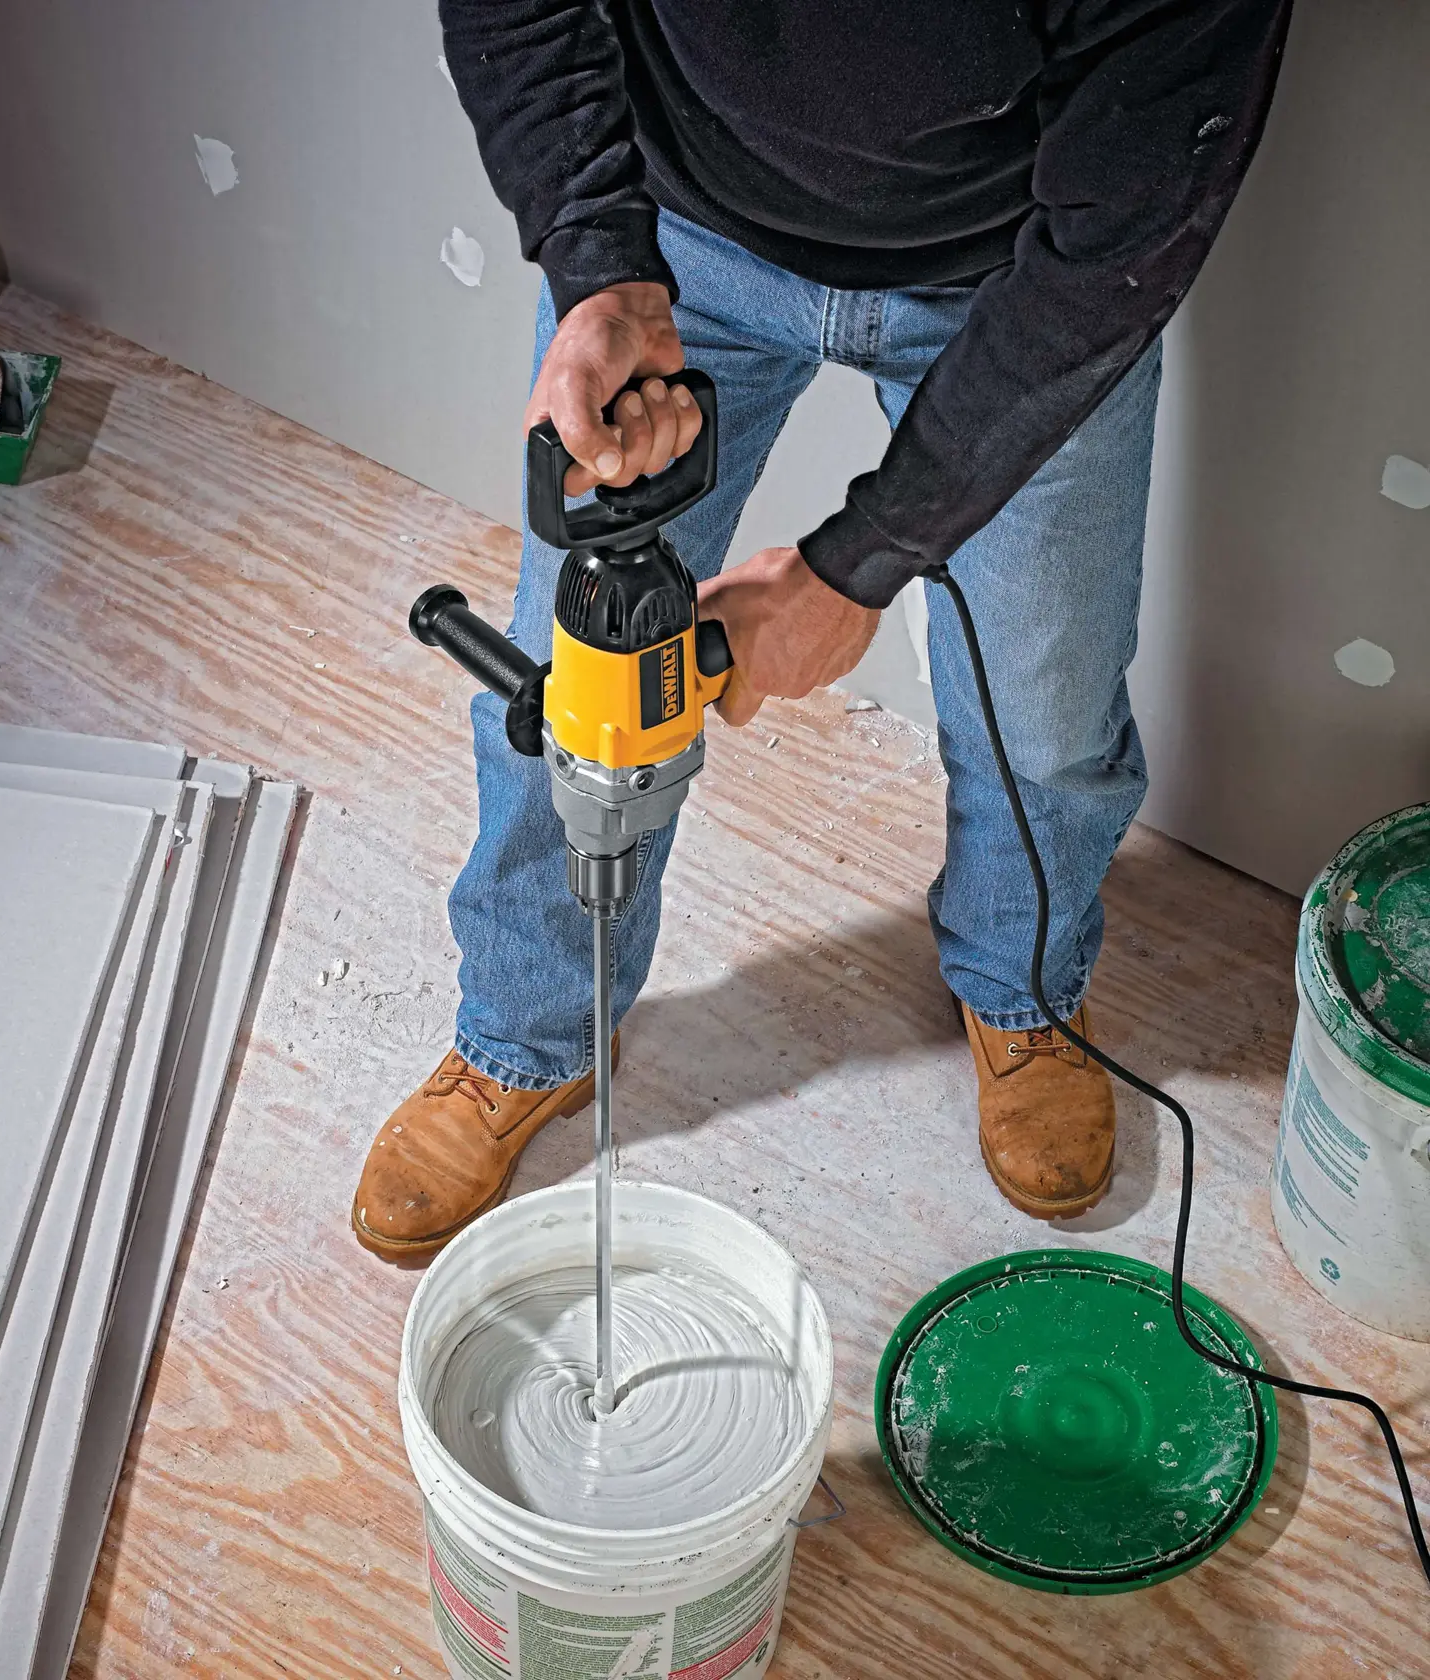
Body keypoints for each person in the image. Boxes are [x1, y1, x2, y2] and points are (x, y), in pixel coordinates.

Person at [352, 0, 1293, 1262]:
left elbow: (1114, 244)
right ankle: (528, 1030)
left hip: (1016, 275)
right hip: (681, 243)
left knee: (1044, 706)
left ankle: (1020, 994)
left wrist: (852, 571)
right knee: (576, 686)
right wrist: (598, 262)